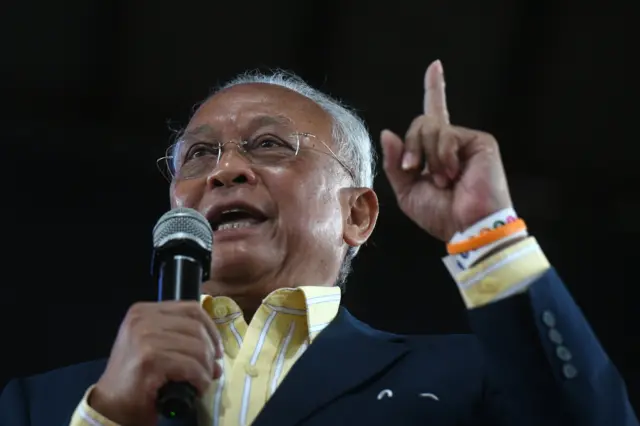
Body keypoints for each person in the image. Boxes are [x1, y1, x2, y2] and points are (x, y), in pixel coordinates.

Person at [0, 60, 636, 426]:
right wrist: (108, 417)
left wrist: (486, 228)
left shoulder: (468, 380)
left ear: (357, 213)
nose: (225, 169)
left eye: (269, 144)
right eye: (198, 154)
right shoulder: (42, 405)